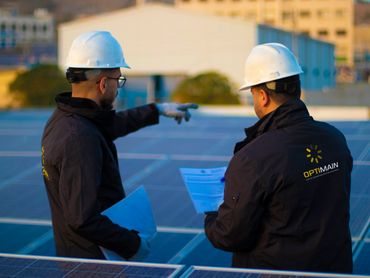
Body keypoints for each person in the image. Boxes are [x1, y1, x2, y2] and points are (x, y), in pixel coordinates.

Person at [41, 31, 197, 260]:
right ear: (104, 84)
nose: (118, 87)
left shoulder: (64, 119)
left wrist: (158, 110)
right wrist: (132, 245)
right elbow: (83, 219)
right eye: (118, 80)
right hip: (93, 263)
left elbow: (110, 125)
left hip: (78, 256)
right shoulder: (79, 138)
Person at [204, 43, 353, 273]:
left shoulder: (253, 157)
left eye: (253, 94)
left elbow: (230, 236)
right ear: (297, 88)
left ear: (262, 96)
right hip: (334, 271)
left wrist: (212, 216)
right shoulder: (335, 139)